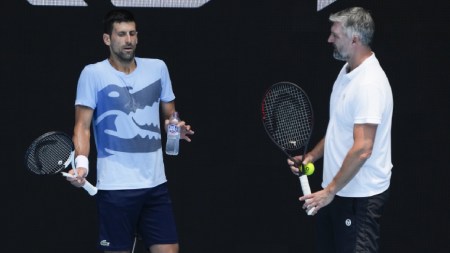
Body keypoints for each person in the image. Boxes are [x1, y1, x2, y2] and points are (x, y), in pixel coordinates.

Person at [66, 9, 194, 253]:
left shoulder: (158, 68)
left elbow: (170, 116)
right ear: (107, 39)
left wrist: (174, 126)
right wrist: (82, 165)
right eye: (122, 34)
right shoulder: (92, 74)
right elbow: (82, 127)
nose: (128, 40)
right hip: (115, 189)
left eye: (132, 33)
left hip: (155, 185)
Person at [288, 7, 393, 253]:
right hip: (336, 193)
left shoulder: (369, 84)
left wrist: (330, 191)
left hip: (358, 197)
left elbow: (363, 148)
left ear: (354, 39)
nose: (329, 39)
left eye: (335, 34)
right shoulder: (346, 72)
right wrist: (311, 157)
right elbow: (339, 129)